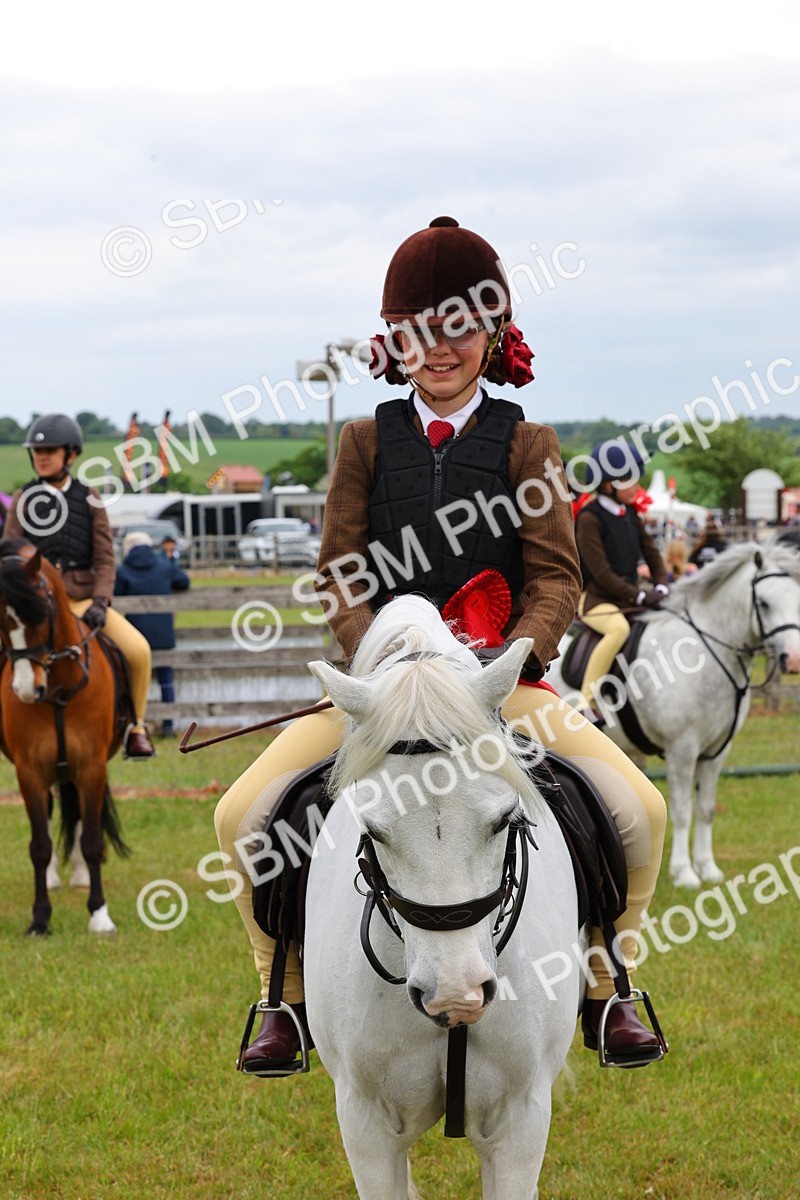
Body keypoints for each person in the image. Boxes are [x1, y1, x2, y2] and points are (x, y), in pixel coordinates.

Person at [214, 216, 668, 1074]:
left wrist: (509, 664)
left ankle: (611, 989)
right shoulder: (363, 441)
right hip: (384, 695)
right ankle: (286, 999)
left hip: (500, 686)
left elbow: (557, 582)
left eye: (459, 326)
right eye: (420, 330)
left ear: (491, 334)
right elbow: (340, 575)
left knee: (641, 811)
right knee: (240, 815)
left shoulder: (528, 443)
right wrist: (380, 662)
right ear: (397, 341)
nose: (440, 346)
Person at [5, 414, 156, 759]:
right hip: (34, 609)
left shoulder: (89, 498)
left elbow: (104, 558)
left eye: (50, 450)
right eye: (37, 451)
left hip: (83, 602)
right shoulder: (22, 499)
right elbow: (9, 559)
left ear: (70, 454)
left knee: (138, 651)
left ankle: (136, 727)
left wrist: (101, 600)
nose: (41, 456)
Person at [573, 442, 671, 714]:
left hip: (626, 596)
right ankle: (586, 702)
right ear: (606, 484)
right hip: (597, 599)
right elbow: (601, 573)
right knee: (619, 630)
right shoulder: (590, 518)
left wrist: (662, 583)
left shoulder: (629, 512)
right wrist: (638, 594)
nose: (636, 486)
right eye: (629, 480)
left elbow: (651, 552)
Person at [114, 531, 190, 737]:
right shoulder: (164, 566)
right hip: (163, 634)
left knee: (136, 680)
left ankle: (137, 723)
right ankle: (168, 725)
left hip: (135, 635)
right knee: (166, 680)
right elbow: (184, 581)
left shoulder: (122, 571)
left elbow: (116, 597)